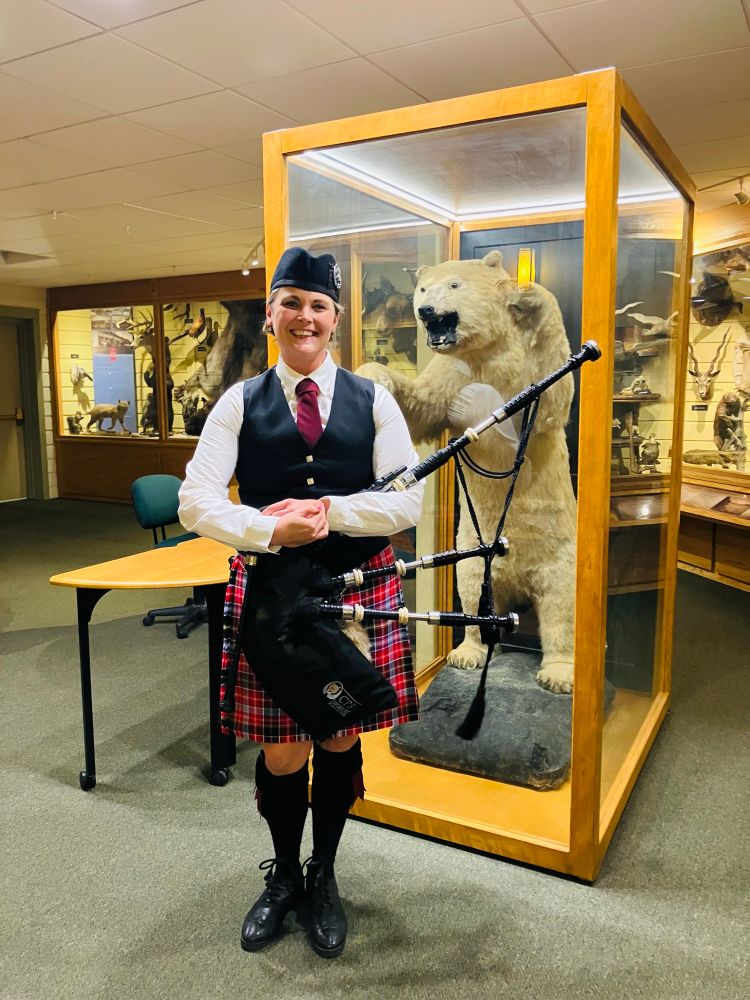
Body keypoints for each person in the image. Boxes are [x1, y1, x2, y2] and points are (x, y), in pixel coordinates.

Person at [178, 247, 424, 959]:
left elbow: (406, 502)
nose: (305, 317)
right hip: (273, 596)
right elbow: (195, 500)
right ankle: (284, 873)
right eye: (292, 302)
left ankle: (325, 874)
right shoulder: (239, 402)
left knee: (340, 737)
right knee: (284, 751)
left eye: (318, 305)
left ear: (335, 319)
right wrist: (264, 529)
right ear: (271, 315)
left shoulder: (375, 400)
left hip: (355, 590)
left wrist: (327, 513)